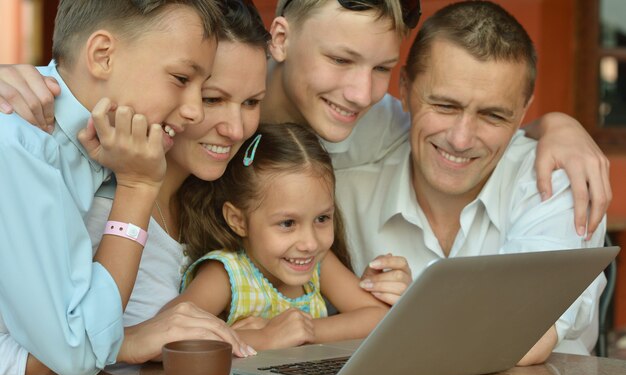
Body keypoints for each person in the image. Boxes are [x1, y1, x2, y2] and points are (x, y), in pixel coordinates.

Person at [0, 1, 612, 240]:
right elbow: (108, 72)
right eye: (341, 59)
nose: (359, 91)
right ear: (281, 38)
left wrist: (558, 125)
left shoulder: (374, 125)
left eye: (380, 69)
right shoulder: (203, 84)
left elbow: (458, 131)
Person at [0, 0, 274, 375]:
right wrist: (138, 187)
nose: (195, 111)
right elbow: (78, 349)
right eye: (181, 79)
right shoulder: (23, 145)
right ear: (102, 56)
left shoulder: (107, 145)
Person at [333, 1, 607, 365]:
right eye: (445, 106)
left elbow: (523, 335)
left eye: (493, 115)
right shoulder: (343, 185)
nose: (461, 139)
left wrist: (413, 309)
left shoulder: (563, 182)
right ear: (404, 89)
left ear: (524, 112)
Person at [164, 123, 400, 350]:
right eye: (287, 223)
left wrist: (306, 332)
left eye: (322, 219)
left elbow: (378, 316)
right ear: (238, 221)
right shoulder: (227, 275)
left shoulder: (320, 263)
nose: (309, 243)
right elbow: (168, 335)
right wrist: (264, 338)